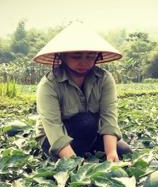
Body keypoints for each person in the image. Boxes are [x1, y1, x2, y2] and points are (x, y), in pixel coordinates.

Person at [32, 22, 132, 162]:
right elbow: (54, 129)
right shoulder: (49, 85)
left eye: (90, 56)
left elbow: (109, 118)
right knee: (86, 122)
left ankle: (86, 150)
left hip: (90, 133)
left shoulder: (104, 79)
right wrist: (74, 164)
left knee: (124, 151)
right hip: (53, 138)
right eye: (76, 56)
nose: (84, 63)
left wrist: (111, 153)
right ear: (63, 56)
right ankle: (78, 155)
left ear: (97, 57)